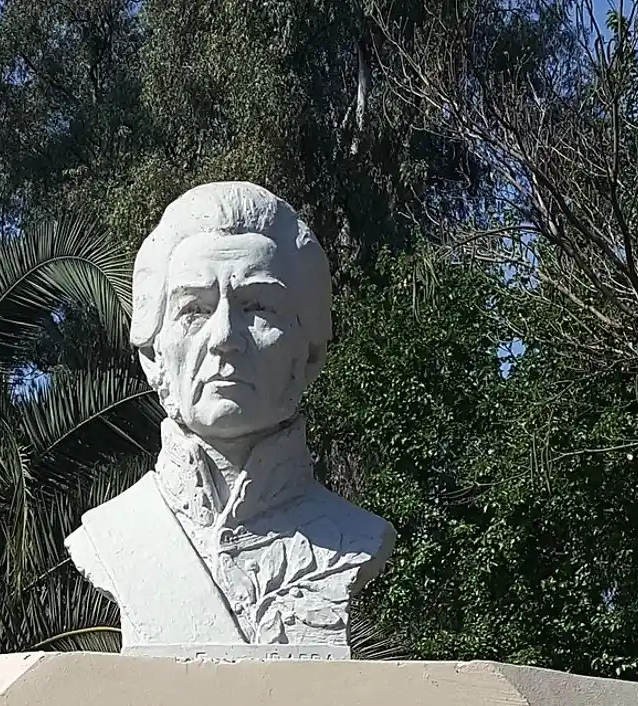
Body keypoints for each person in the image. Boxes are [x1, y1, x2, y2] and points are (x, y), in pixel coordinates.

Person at [66, 182, 395, 652]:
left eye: (258, 306)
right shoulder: (114, 535)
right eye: (194, 310)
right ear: (153, 357)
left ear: (310, 353)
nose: (225, 337)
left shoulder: (356, 537)